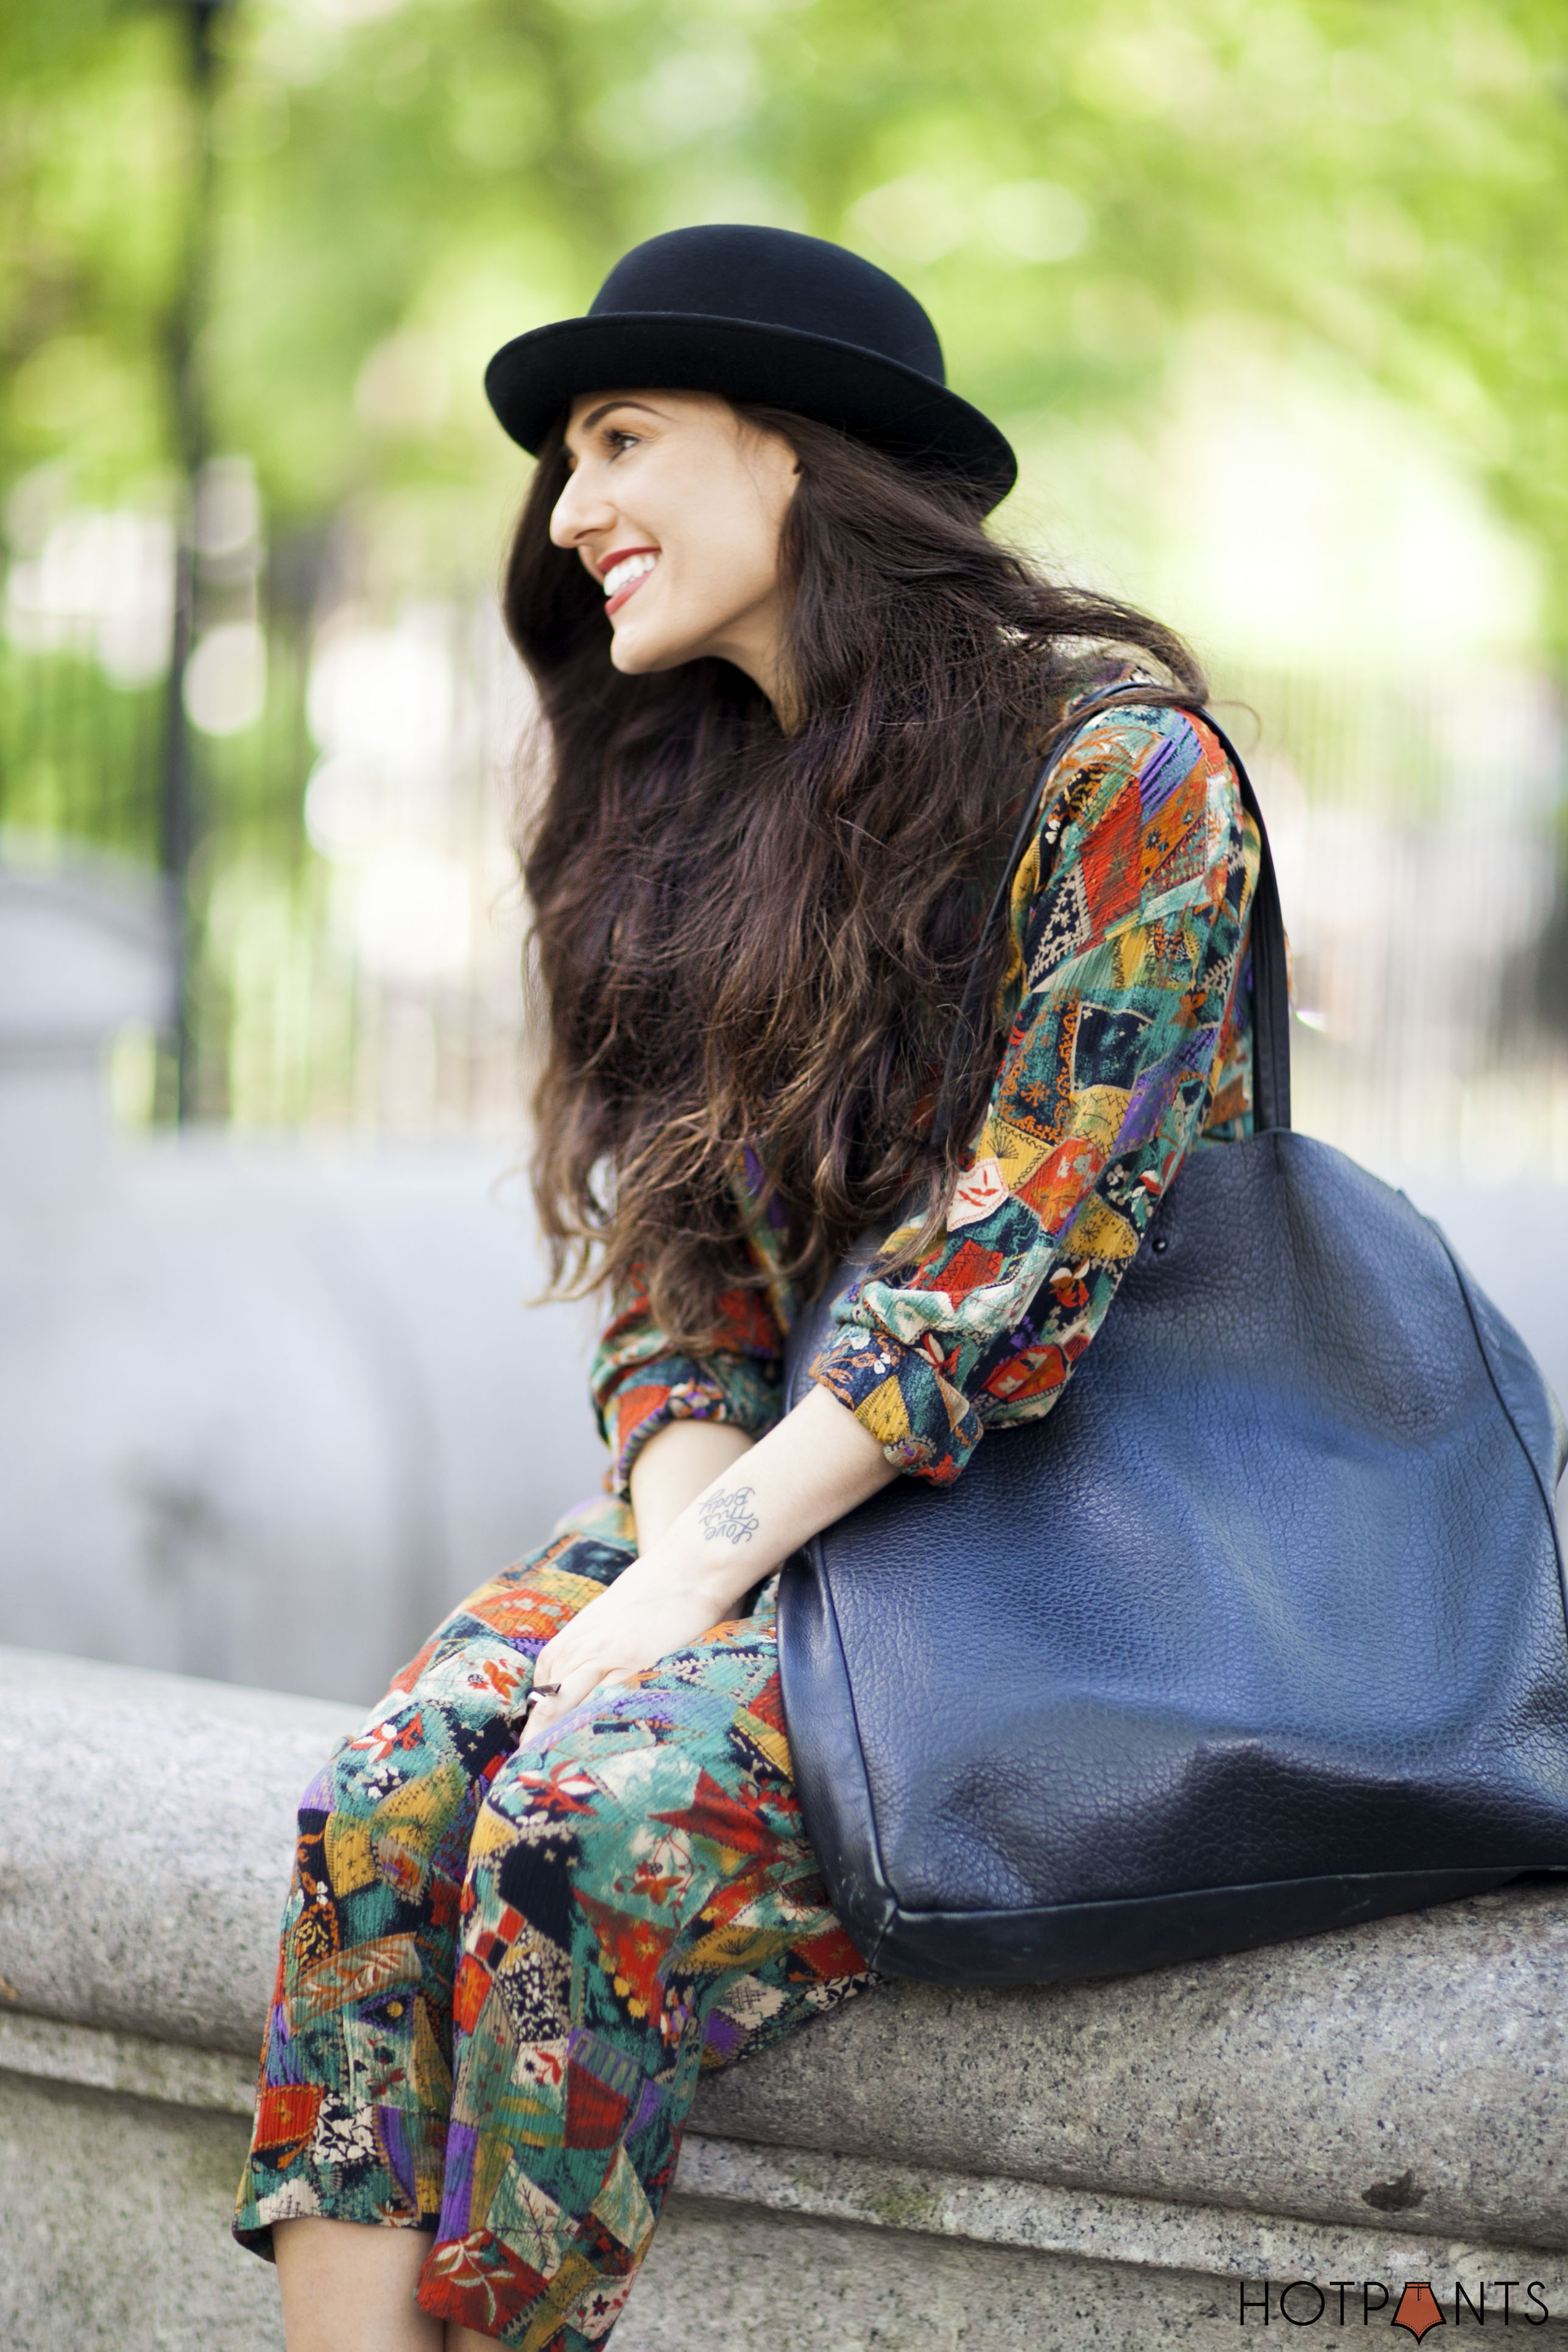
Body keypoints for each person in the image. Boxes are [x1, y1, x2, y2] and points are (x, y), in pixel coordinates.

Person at [234, 223, 1259, 2350]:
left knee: (578, 1827)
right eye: (563, 463)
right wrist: (673, 1556)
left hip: (1068, 1556)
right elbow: (682, 1274)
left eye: (621, 439)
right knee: (391, 1791)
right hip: (787, 1523)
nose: (572, 510)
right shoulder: (695, 798)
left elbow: (1011, 1270)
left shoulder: (1127, 781)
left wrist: (686, 1579)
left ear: (795, 459)